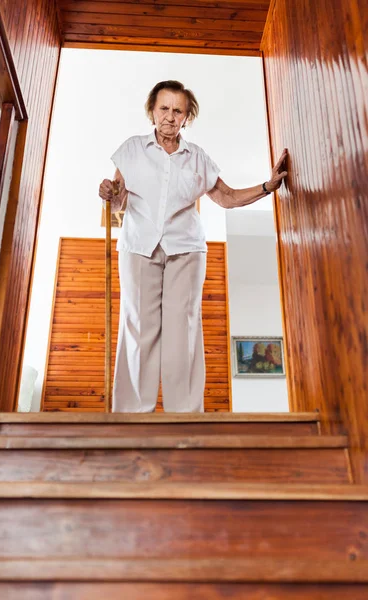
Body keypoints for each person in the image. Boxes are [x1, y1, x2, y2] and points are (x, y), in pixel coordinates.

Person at [99, 80, 287, 413]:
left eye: (178, 111)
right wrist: (109, 193)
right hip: (138, 247)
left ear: (187, 117)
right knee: (138, 328)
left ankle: (183, 414)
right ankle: (131, 415)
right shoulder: (131, 150)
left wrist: (267, 186)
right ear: (152, 111)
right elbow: (117, 201)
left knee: (181, 330)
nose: (169, 117)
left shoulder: (197, 158)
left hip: (185, 249)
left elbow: (226, 197)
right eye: (164, 109)